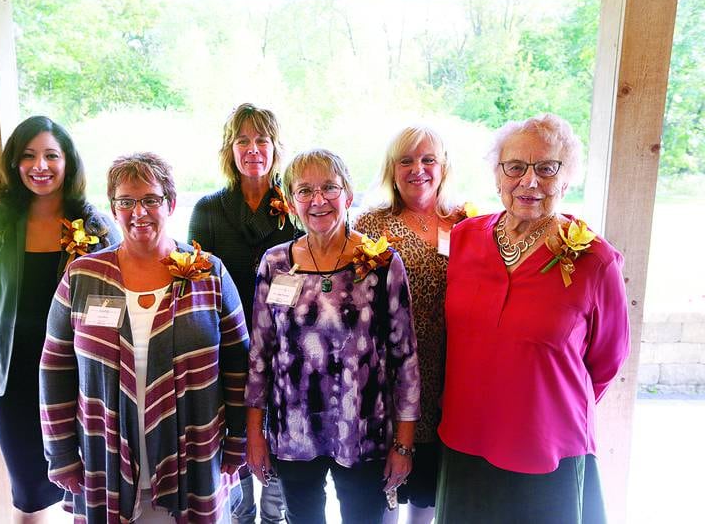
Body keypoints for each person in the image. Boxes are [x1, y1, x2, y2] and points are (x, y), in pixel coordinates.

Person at [437, 114, 630, 524]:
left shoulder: (595, 260)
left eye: (546, 168)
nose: (529, 182)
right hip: (467, 435)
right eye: (515, 167)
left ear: (566, 177)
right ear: (497, 174)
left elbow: (608, 359)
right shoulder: (465, 238)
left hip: (549, 446)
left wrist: (543, 400)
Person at [39, 153, 249, 523]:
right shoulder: (82, 276)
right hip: (104, 459)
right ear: (113, 208)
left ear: (170, 203)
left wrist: (239, 441)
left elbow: (239, 365)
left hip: (196, 456)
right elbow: (55, 368)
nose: (139, 212)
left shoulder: (208, 273)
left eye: (150, 199)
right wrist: (61, 454)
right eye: (126, 201)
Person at [245, 149, 421, 524]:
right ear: (291, 202)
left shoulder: (381, 262)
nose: (318, 199)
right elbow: (260, 355)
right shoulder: (274, 263)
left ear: (349, 195)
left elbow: (405, 359)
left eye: (329, 187)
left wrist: (404, 443)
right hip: (293, 432)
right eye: (305, 190)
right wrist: (255, 435)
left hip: (363, 432)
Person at [0, 115, 118, 523]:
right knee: (29, 498)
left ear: (69, 163)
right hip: (17, 383)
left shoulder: (97, 228)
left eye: (51, 155)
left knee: (94, 492)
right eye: (29, 156)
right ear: (15, 163)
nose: (40, 166)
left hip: (84, 381)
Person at [188, 103, 295, 523]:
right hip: (227, 347)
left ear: (276, 148)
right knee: (233, 441)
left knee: (278, 442)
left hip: (285, 348)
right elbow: (195, 287)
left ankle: (274, 516)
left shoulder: (296, 205)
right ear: (229, 149)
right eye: (243, 141)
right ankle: (239, 514)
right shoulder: (209, 210)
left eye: (262, 141)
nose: (253, 150)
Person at [354, 125, 466, 524]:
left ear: (444, 166)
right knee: (384, 487)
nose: (418, 169)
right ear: (392, 168)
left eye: (428, 159)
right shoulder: (370, 225)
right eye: (406, 160)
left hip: (450, 371)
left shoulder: (467, 222)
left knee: (428, 491)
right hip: (389, 373)